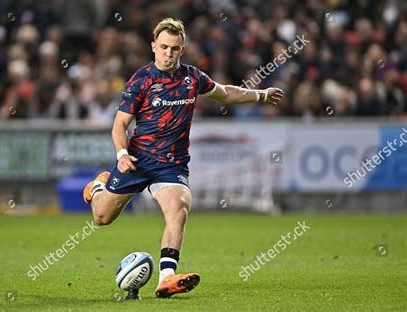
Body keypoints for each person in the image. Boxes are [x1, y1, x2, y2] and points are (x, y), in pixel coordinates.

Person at [82, 18, 284, 298]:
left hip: (171, 165)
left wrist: (260, 95)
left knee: (179, 208)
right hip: (137, 160)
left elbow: (226, 94)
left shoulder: (192, 78)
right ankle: (98, 188)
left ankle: (166, 278)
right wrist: (122, 154)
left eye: (175, 48)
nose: (169, 53)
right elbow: (120, 125)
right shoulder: (142, 80)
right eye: (163, 47)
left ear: (182, 49)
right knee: (101, 218)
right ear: (154, 47)